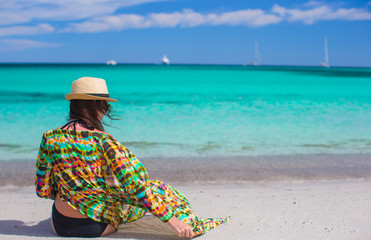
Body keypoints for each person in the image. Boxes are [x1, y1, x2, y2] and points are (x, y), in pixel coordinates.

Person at [35, 77, 229, 238]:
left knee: (110, 190)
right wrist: (171, 219)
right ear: (97, 105)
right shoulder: (104, 141)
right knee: (158, 189)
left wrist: (77, 190)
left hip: (59, 224)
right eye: (105, 106)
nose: (105, 112)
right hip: (95, 227)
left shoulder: (50, 138)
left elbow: (42, 190)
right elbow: (136, 186)